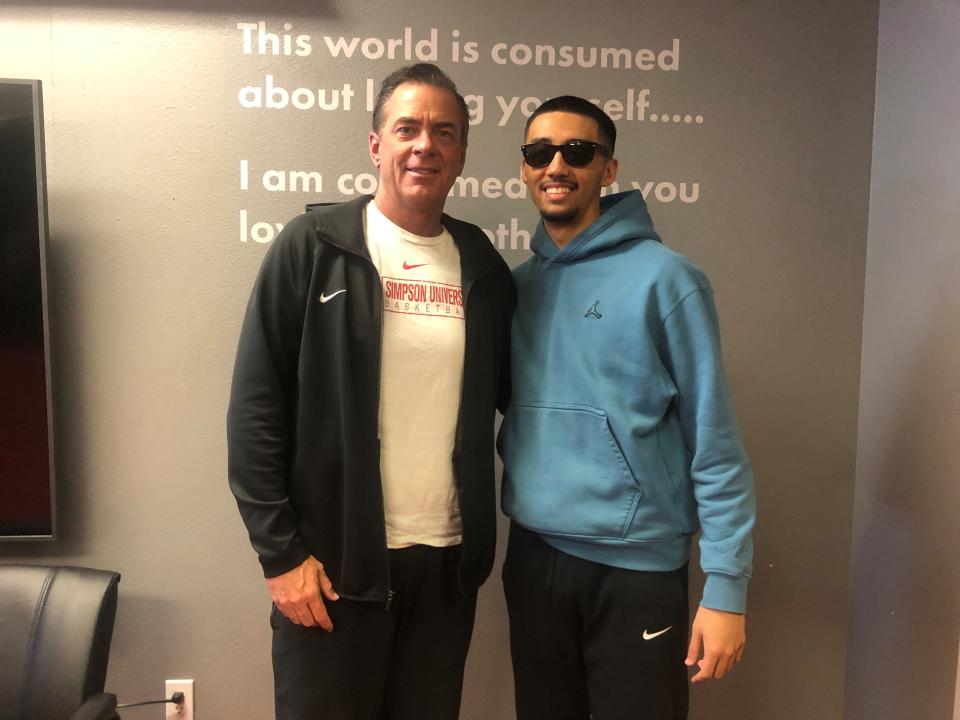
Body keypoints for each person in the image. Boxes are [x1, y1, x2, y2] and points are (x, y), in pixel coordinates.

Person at [227, 63, 514, 720]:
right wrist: (281, 556)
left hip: (443, 572)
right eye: (407, 128)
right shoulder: (313, 247)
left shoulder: (482, 265)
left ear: (462, 154)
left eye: (444, 132)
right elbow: (254, 410)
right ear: (376, 144)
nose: (426, 145)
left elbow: (512, 396)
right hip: (330, 572)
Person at [498, 95, 756, 720]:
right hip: (533, 560)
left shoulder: (668, 280)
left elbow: (715, 445)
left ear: (608, 168)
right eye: (540, 152)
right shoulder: (517, 286)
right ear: (525, 168)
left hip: (636, 570)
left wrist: (726, 588)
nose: (556, 165)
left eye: (577, 151)